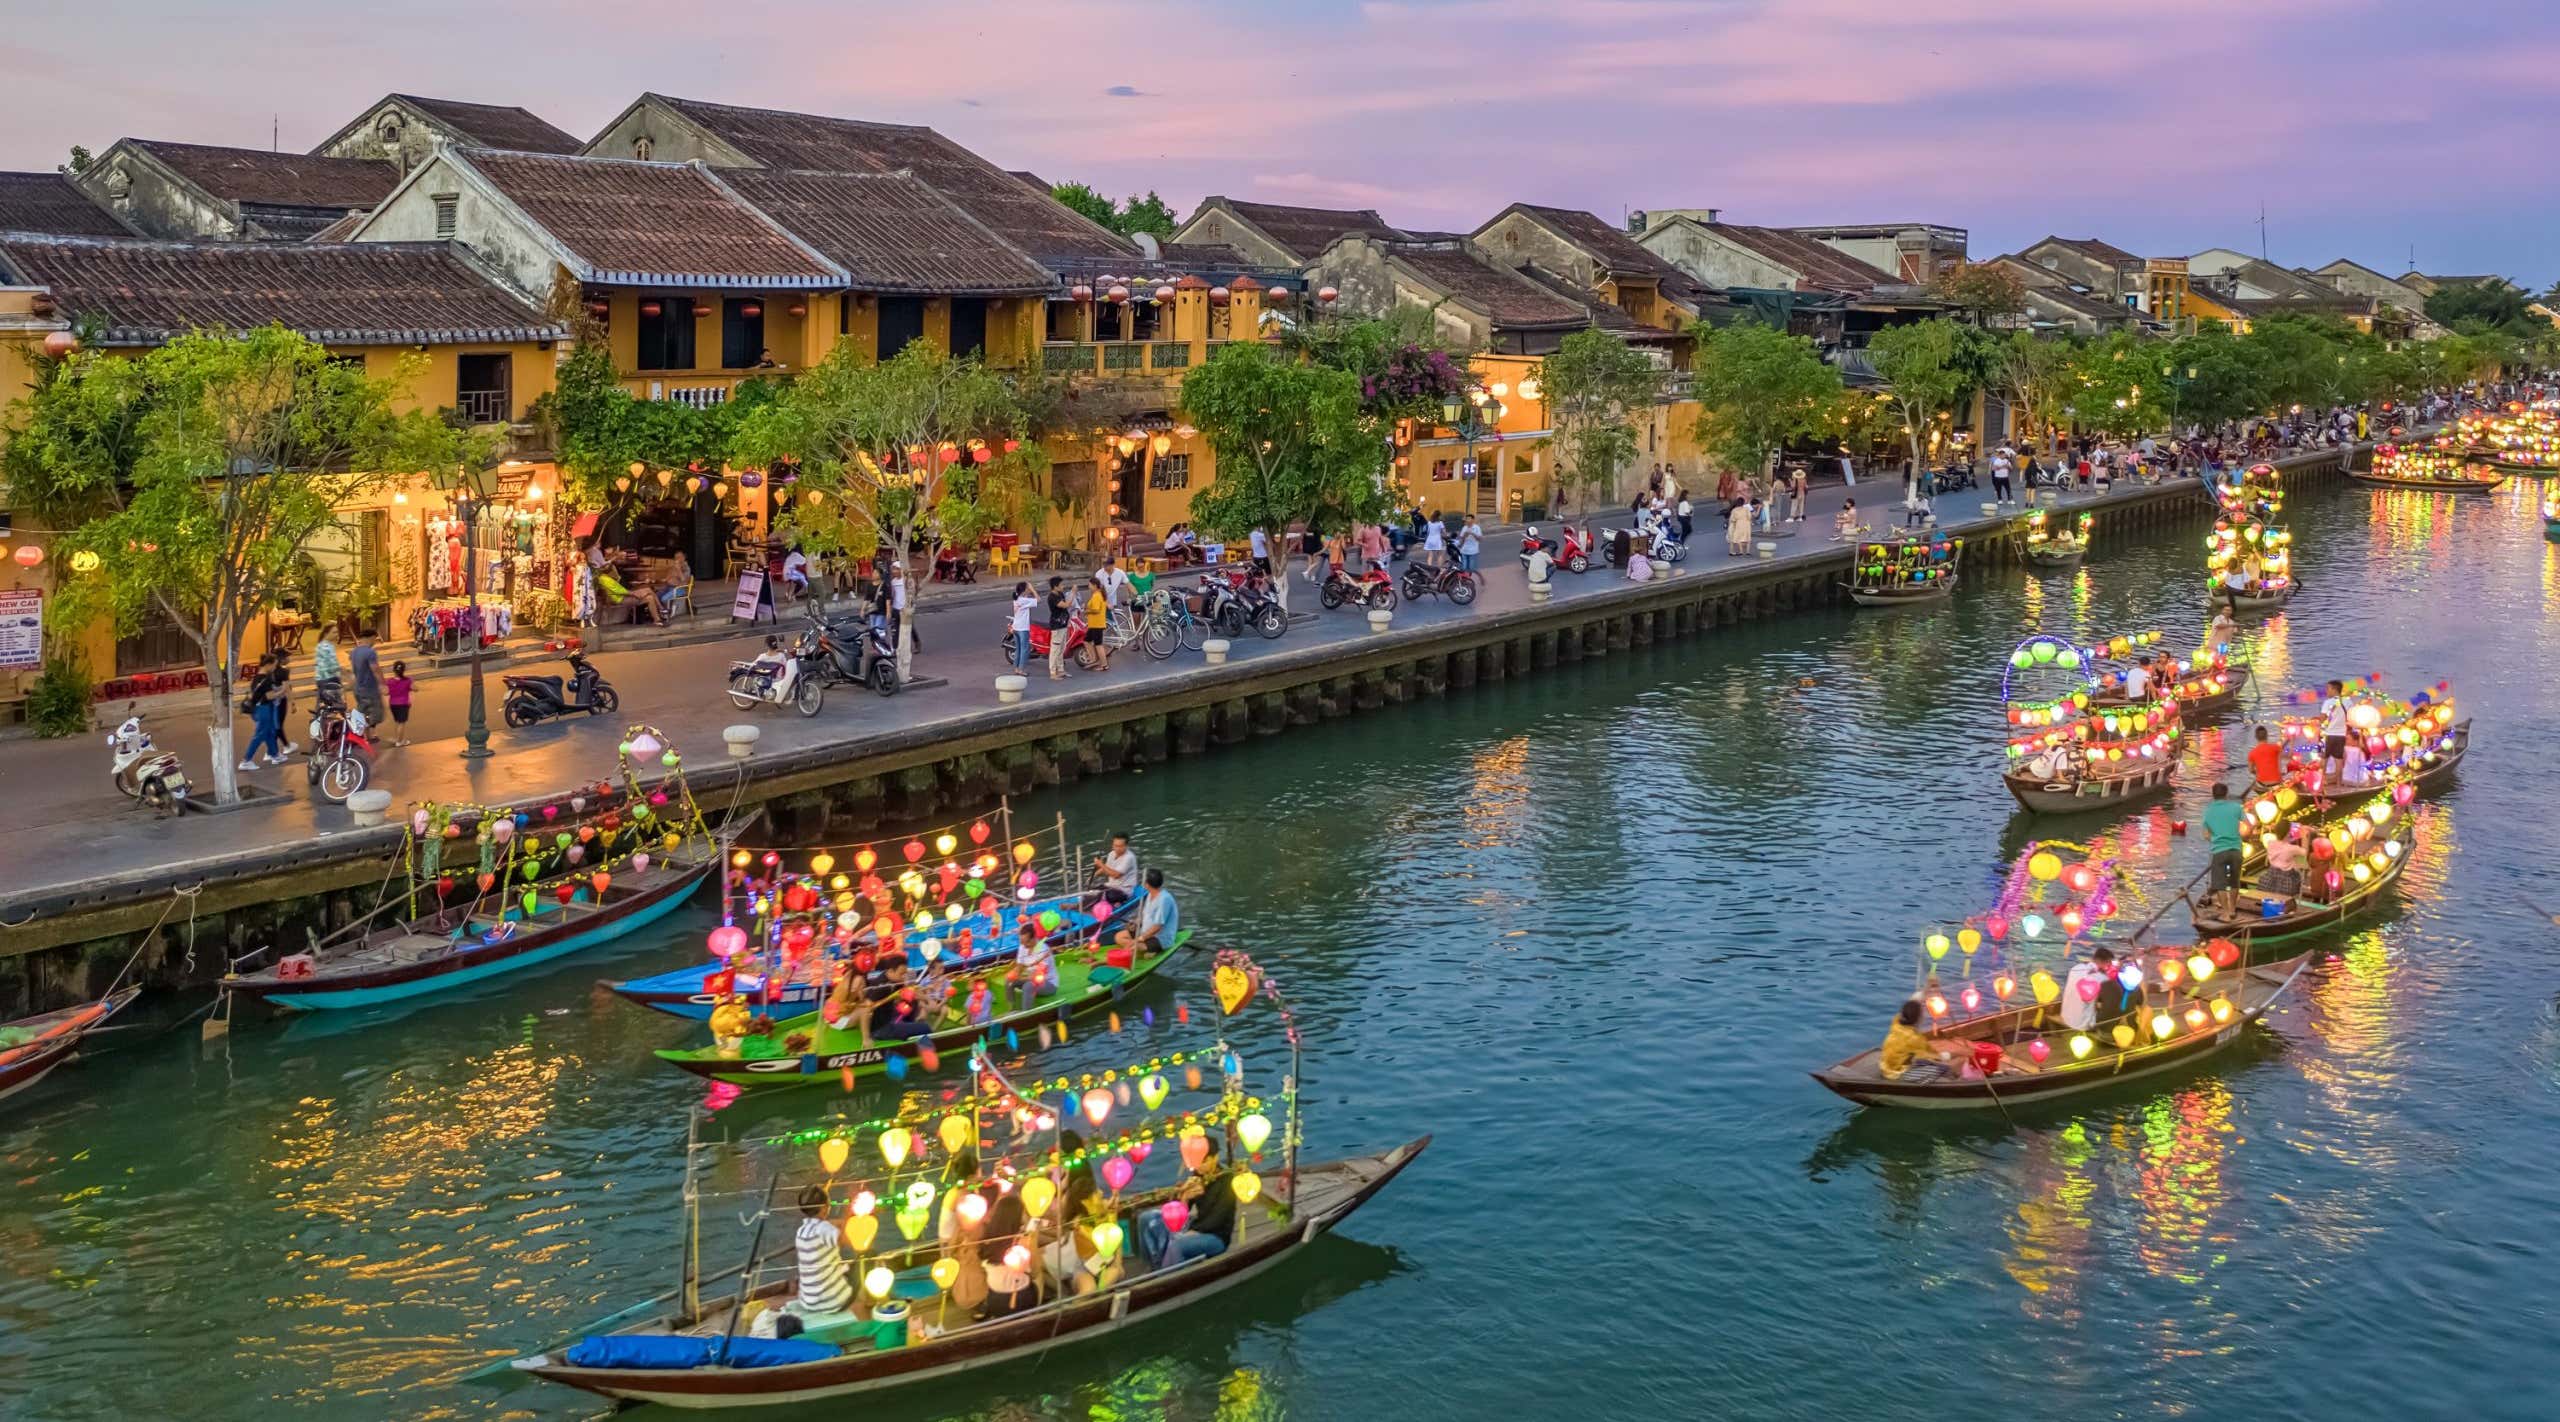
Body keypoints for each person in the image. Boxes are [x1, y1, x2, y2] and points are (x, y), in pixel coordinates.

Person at [1138, 1136, 1236, 1269]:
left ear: (1215, 1158)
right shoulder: (1198, 1175)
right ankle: (1156, 1265)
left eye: (1204, 1162)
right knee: (1147, 1218)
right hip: (1195, 1225)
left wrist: (1195, 1231)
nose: (1199, 1167)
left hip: (1216, 1236)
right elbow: (1180, 1212)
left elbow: (1218, 1218)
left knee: (1178, 1244)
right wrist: (1185, 1197)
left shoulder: (1227, 1181)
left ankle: (1167, 1276)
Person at [792, 1183, 854, 1316]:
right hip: (831, 1303)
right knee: (866, 1260)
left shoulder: (801, 1231)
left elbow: (828, 1226)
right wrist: (849, 1211)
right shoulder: (824, 1230)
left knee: (844, 1268)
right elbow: (848, 1240)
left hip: (808, 1302)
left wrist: (841, 1222)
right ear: (825, 1208)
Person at [980, 1191, 1038, 1316]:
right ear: (1018, 1215)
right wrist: (1034, 1239)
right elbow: (1035, 1272)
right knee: (1039, 1277)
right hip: (1021, 1300)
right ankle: (1038, 1310)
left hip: (994, 1300)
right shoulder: (1023, 1240)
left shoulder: (988, 1237)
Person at [1878, 999, 1955, 1081]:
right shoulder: (1914, 1038)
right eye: (1922, 1014)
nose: (1923, 1016)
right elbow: (1933, 1056)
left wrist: (1928, 987)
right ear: (1918, 1018)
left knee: (1921, 1060)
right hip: (1896, 1074)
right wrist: (1952, 1055)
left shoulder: (1896, 1022)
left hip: (1886, 1065)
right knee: (1942, 1068)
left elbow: (1914, 1001)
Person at [2201, 782, 2247, 912]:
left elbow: (2206, 835)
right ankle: (2232, 909)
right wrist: (2239, 836)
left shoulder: (2208, 811)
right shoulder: (2236, 807)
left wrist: (2216, 838)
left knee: (2220, 884)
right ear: (2226, 794)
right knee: (2234, 881)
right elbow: (2248, 826)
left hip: (2219, 850)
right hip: (2235, 849)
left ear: (2213, 795)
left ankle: (2226, 913)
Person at [1115, 868, 1179, 955]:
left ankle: (1151, 949)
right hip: (1145, 931)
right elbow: (1145, 915)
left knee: (1134, 947)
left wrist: (1141, 938)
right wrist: (1136, 923)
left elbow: (1157, 926)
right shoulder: (1149, 894)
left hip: (1160, 937)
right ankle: (1145, 947)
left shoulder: (1164, 899)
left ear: (1147, 884)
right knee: (1118, 937)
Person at [240, 655, 287, 770]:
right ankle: (246, 760)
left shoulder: (257, 678)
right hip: (263, 709)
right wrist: (283, 691)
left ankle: (275, 754)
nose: (275, 667)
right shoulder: (266, 679)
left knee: (270, 732)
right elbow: (269, 696)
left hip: (258, 709)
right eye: (274, 665)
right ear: (268, 664)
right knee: (260, 734)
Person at [1011, 916, 1056, 1010]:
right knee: (1010, 982)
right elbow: (1019, 965)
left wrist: (1022, 977)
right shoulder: (1022, 947)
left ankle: (1026, 1014)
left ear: (1034, 938)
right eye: (1022, 942)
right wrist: (1016, 974)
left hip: (1048, 983)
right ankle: (1012, 1008)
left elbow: (1037, 975)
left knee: (1028, 986)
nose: (1024, 945)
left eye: (1026, 942)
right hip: (1029, 977)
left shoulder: (1043, 950)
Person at [2061, 950, 2111, 1033]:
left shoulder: (2076, 968)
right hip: (2081, 1023)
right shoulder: (2102, 978)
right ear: (2106, 962)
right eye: (2108, 964)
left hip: (2065, 1016)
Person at [347, 630, 385, 731]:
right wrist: (382, 684)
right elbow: (375, 669)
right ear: (371, 637)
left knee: (363, 712)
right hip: (370, 688)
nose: (375, 642)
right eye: (375, 639)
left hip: (358, 688)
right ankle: (365, 732)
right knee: (376, 714)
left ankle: (366, 735)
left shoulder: (354, 652)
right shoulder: (370, 652)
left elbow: (353, 670)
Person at [1093, 832, 1140, 907]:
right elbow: (1107, 867)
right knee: (1093, 892)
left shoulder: (1129, 857)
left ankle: (1120, 902)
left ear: (1126, 846)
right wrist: (1094, 875)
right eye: (1115, 846)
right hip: (1111, 885)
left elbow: (1116, 875)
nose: (1117, 848)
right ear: (1112, 845)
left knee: (1107, 896)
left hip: (1124, 890)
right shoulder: (1111, 854)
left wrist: (1100, 864)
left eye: (1121, 846)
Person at [2261, 828, 2308, 900]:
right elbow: (2305, 852)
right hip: (2287, 880)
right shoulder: (2292, 848)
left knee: (2270, 899)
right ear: (2288, 833)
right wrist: (2305, 837)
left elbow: (2284, 843)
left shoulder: (2270, 843)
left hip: (2270, 876)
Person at [2319, 680, 2351, 778]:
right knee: (2339, 760)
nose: (2326, 691)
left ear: (2334, 689)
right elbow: (2350, 717)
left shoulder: (2328, 702)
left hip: (2328, 735)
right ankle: (2338, 783)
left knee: (2324, 758)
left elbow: (2322, 719)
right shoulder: (2348, 702)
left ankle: (2322, 781)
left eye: (2328, 688)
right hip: (2341, 735)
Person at [1044, 576, 1071, 681]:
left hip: (1063, 624)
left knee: (1061, 648)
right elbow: (1065, 605)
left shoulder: (1060, 594)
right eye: (1061, 585)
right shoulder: (1052, 597)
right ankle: (1053, 672)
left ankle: (1061, 670)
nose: (1063, 587)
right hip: (1056, 625)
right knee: (1055, 649)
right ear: (1055, 586)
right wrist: (1073, 593)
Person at [383, 660, 414, 747]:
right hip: (403, 704)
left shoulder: (390, 681)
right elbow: (414, 688)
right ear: (404, 670)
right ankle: (400, 741)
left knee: (397, 722)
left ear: (394, 670)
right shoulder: (408, 680)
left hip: (393, 704)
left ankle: (398, 738)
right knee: (402, 723)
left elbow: (386, 693)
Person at [1009, 580, 1036, 672]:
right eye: (1027, 589)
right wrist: (1032, 589)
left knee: (1018, 649)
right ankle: (1021, 670)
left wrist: (1027, 590)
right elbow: (1038, 599)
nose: (1029, 590)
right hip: (1023, 628)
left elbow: (1024, 596)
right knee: (1025, 649)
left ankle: (1016, 668)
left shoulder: (1016, 599)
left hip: (1016, 627)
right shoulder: (1024, 600)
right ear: (1024, 590)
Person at [2246, 724, 2283, 791]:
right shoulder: (2275, 748)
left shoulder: (2252, 753)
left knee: (2254, 787)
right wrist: (2292, 740)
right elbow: (2289, 756)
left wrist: (2258, 772)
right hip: (2276, 784)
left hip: (2261, 784)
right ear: (2267, 736)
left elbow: (2251, 770)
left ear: (2256, 737)